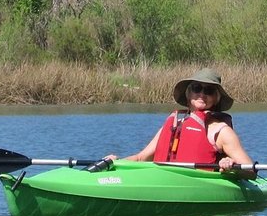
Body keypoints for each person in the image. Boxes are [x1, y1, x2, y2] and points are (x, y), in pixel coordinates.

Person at [106, 68, 256, 179]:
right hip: (162, 180)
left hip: (200, 186)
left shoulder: (221, 131)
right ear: (188, 93)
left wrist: (231, 166)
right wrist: (115, 163)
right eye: (197, 88)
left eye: (209, 91)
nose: (202, 94)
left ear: (216, 98)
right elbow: (141, 158)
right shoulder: (175, 122)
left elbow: (250, 171)